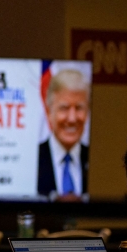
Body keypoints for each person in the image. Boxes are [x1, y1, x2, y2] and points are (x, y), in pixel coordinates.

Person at [37, 69, 90, 198]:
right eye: (64, 108)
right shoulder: (33, 159)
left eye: (79, 108)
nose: (72, 118)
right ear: (49, 113)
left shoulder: (97, 161)